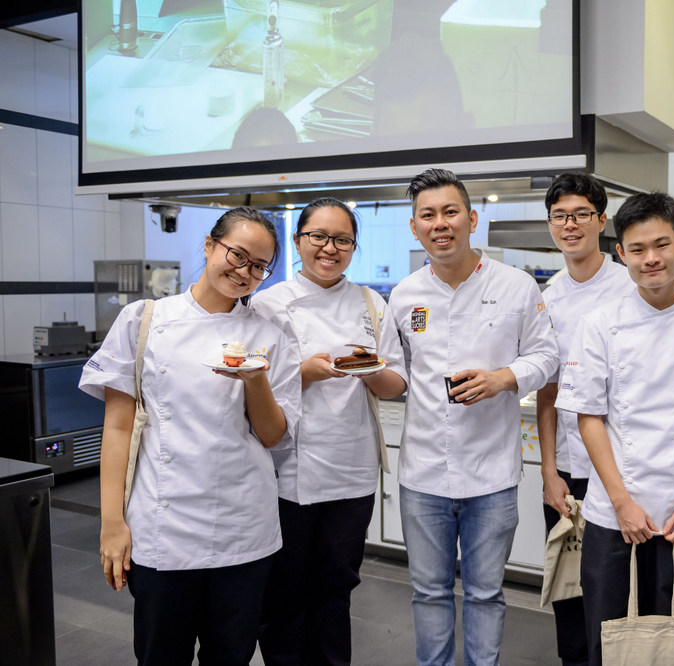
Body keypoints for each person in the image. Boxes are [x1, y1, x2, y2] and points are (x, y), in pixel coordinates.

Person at [80, 206, 302, 665]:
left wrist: (255, 379)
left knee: (231, 657)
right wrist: (111, 524)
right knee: (161, 656)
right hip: (164, 531)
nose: (244, 272)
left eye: (259, 266)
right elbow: (118, 427)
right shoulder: (143, 321)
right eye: (237, 255)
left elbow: (275, 437)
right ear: (209, 245)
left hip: (244, 532)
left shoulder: (271, 336)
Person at [388, 168, 559, 666]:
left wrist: (502, 377)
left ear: (471, 218)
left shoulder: (517, 286)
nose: (440, 224)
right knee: (429, 593)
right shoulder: (404, 294)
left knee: (486, 594)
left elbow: (546, 357)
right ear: (415, 226)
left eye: (450, 212)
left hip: (492, 476)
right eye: (428, 215)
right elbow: (394, 372)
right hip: (423, 476)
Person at [555, 192, 674, 666]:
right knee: (609, 639)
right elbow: (588, 417)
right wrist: (621, 503)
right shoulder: (601, 324)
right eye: (637, 249)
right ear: (622, 253)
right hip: (616, 514)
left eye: (661, 245)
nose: (651, 259)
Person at [253, 198, 408, 665]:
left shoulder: (370, 302)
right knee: (285, 589)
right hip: (287, 470)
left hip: (351, 469)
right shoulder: (267, 303)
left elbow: (395, 383)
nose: (329, 248)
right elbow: (250, 385)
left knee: (337, 584)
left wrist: (368, 370)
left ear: (353, 248)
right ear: (298, 241)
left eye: (342, 240)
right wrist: (305, 372)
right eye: (318, 237)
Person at [536, 172, 632, 666]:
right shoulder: (547, 297)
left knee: (614, 592)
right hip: (569, 469)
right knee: (569, 586)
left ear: (602, 219)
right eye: (559, 216)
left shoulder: (629, 285)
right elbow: (548, 392)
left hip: (621, 466)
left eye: (580, 215)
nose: (569, 225)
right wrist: (550, 473)